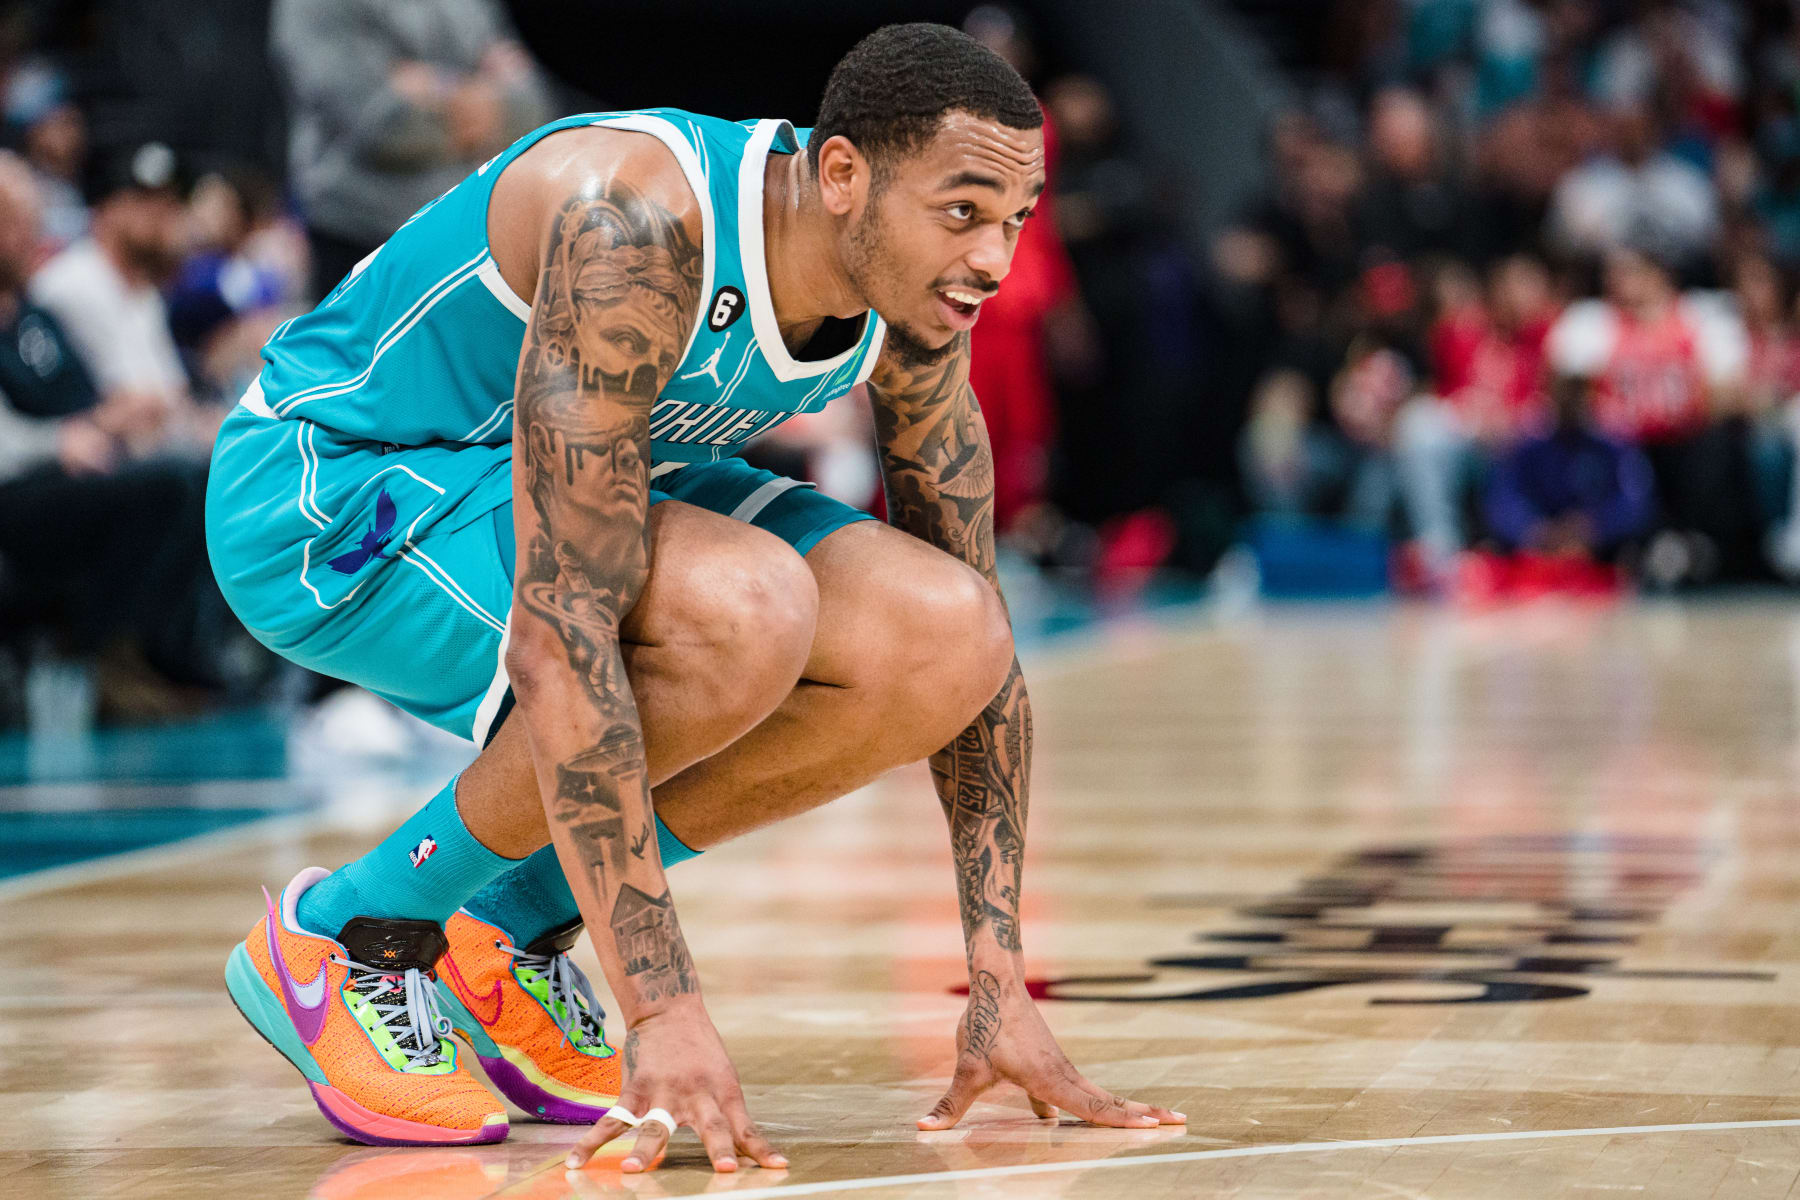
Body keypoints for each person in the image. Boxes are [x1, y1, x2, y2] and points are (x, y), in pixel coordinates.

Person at [207, 23, 1184, 1171]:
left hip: (562, 476)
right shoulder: (639, 224)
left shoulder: (910, 298)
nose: (993, 260)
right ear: (842, 174)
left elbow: (982, 653)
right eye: (962, 212)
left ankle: (502, 927)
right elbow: (563, 639)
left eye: (1014, 220)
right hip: (328, 490)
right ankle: (352, 931)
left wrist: (998, 980)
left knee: (949, 634)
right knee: (745, 610)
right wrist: (663, 1008)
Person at [270, 0, 551, 301]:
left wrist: (434, 85)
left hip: (464, 236)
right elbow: (382, 128)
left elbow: (532, 109)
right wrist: (484, 101)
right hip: (360, 237)